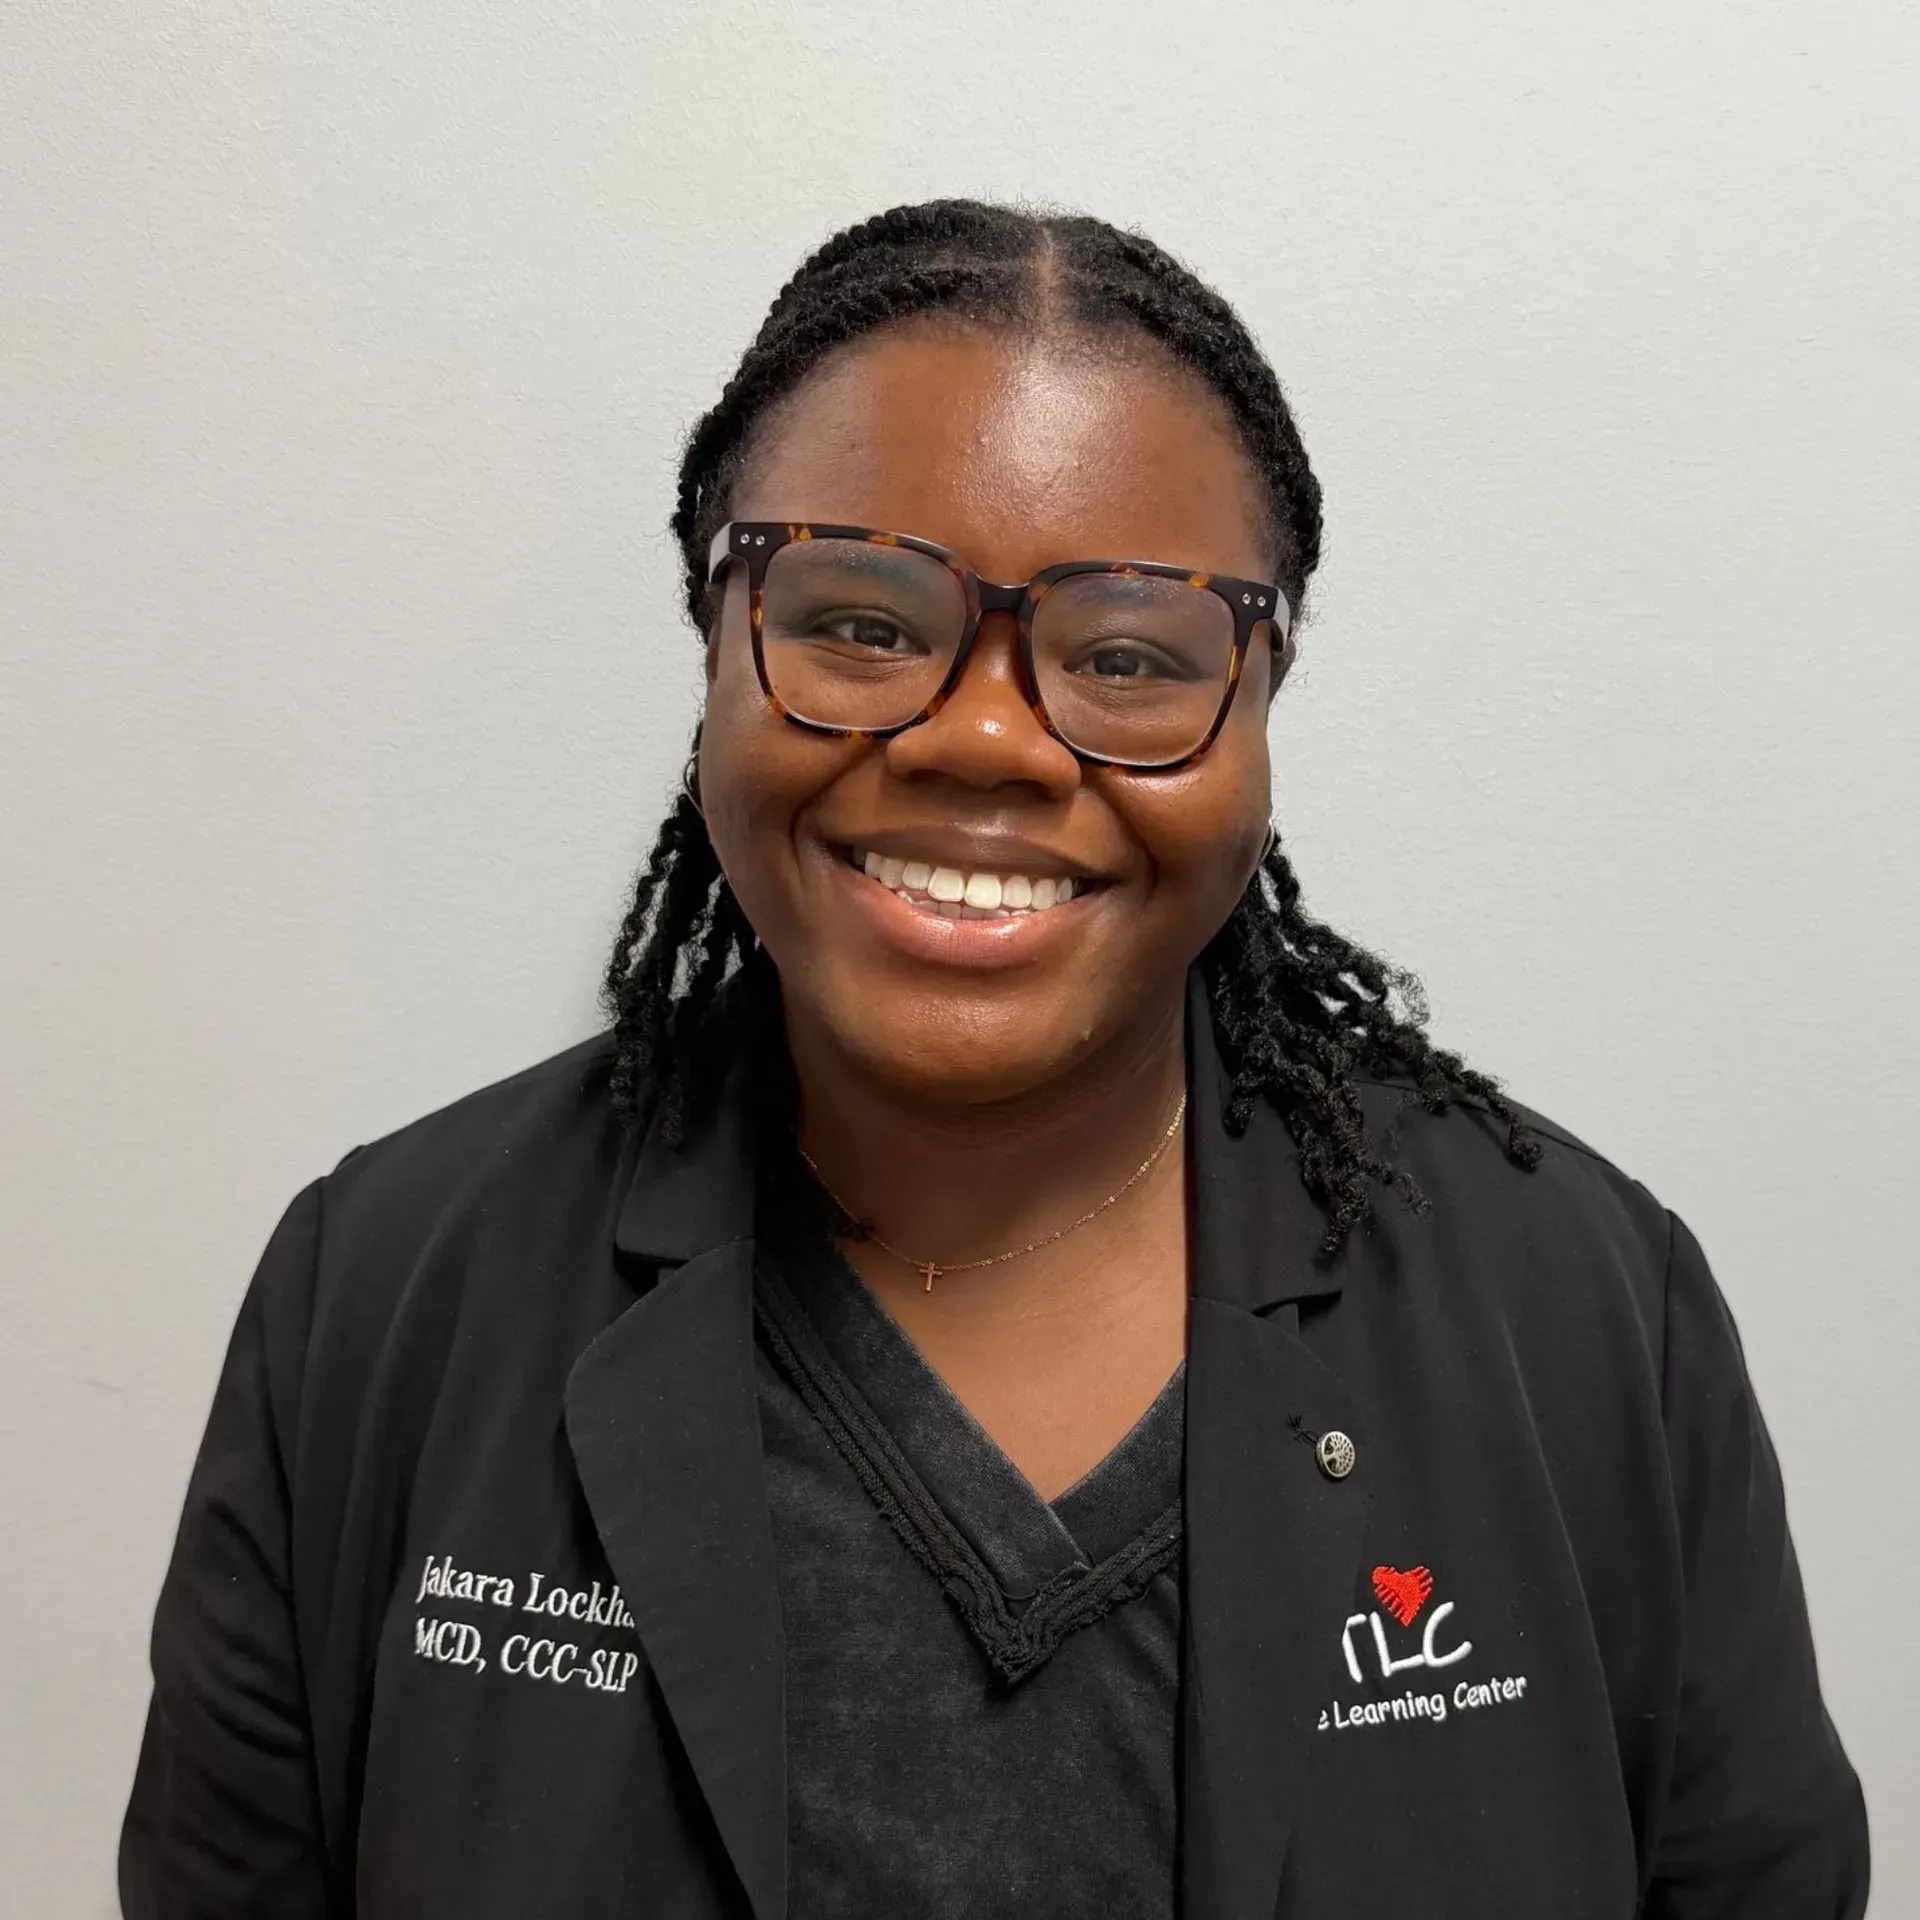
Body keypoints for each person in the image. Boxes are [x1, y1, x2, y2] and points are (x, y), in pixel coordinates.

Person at [119, 199, 1868, 1919]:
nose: (982, 739)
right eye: (863, 623)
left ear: (1263, 697)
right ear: (716, 637)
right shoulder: (376, 1298)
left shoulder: (1590, 1316)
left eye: (1129, 655)